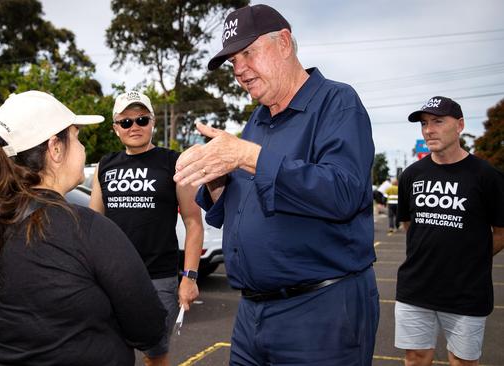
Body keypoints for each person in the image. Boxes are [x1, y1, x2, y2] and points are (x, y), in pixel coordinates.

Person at [173, 4, 379, 365]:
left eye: (247, 53)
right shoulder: (257, 120)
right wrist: (217, 178)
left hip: (319, 315)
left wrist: (246, 156)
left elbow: (344, 193)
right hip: (252, 314)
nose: (239, 70)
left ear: (284, 43)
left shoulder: (337, 103)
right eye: (233, 62)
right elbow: (243, 204)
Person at [0, 90, 166, 365]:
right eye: (76, 137)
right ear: (55, 148)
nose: (82, 147)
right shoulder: (89, 230)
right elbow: (148, 327)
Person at [89, 90, 203, 366]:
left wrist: (190, 277)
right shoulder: (105, 165)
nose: (134, 127)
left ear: (153, 122)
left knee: (155, 355)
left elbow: (193, 222)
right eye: (125, 122)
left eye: (141, 119)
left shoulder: (173, 162)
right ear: (116, 129)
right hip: (111, 278)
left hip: (158, 278)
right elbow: (93, 224)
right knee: (111, 352)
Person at [395, 96, 504, 366]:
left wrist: (472, 257)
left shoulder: (486, 175)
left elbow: (501, 231)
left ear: (460, 125)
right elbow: (411, 226)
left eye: (438, 121)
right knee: (416, 358)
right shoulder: (411, 175)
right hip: (416, 287)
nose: (429, 129)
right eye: (424, 123)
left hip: (466, 290)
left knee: (462, 361)